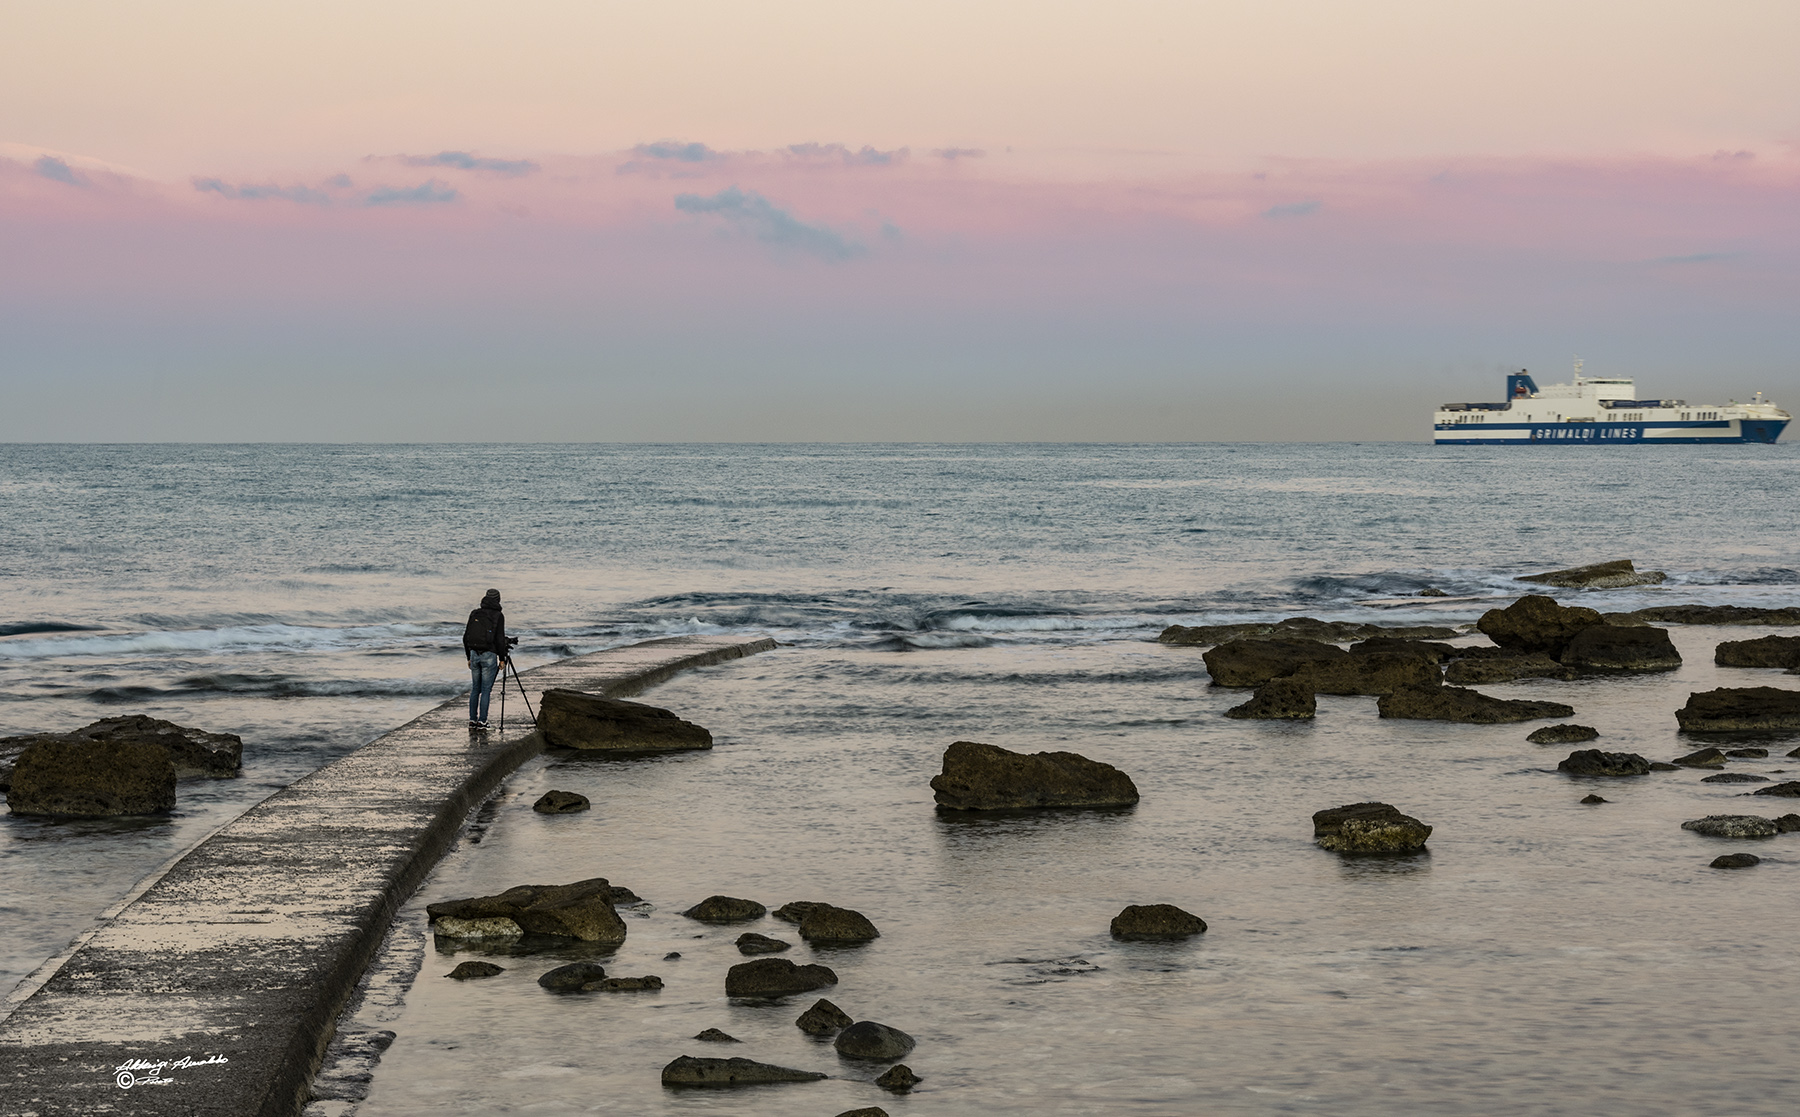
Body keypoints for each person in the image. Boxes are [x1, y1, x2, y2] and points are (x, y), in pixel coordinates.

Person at [462, 588, 510, 730]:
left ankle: (472, 720)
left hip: (474, 654)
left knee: (475, 689)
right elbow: (500, 639)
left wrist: (468, 656)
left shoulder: (474, 613)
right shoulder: (498, 615)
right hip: (489, 655)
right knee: (486, 690)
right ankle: (482, 722)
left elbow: (465, 637)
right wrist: (502, 658)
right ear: (498, 600)